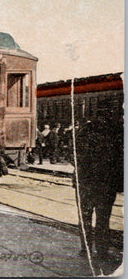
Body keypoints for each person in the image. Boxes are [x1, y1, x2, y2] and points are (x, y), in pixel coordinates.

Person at [74, 108, 123, 260]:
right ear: (110, 114)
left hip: (84, 181)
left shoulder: (84, 130)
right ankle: (102, 252)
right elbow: (121, 159)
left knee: (85, 217)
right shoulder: (116, 132)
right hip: (105, 183)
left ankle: (86, 250)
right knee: (103, 219)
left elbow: (73, 155)